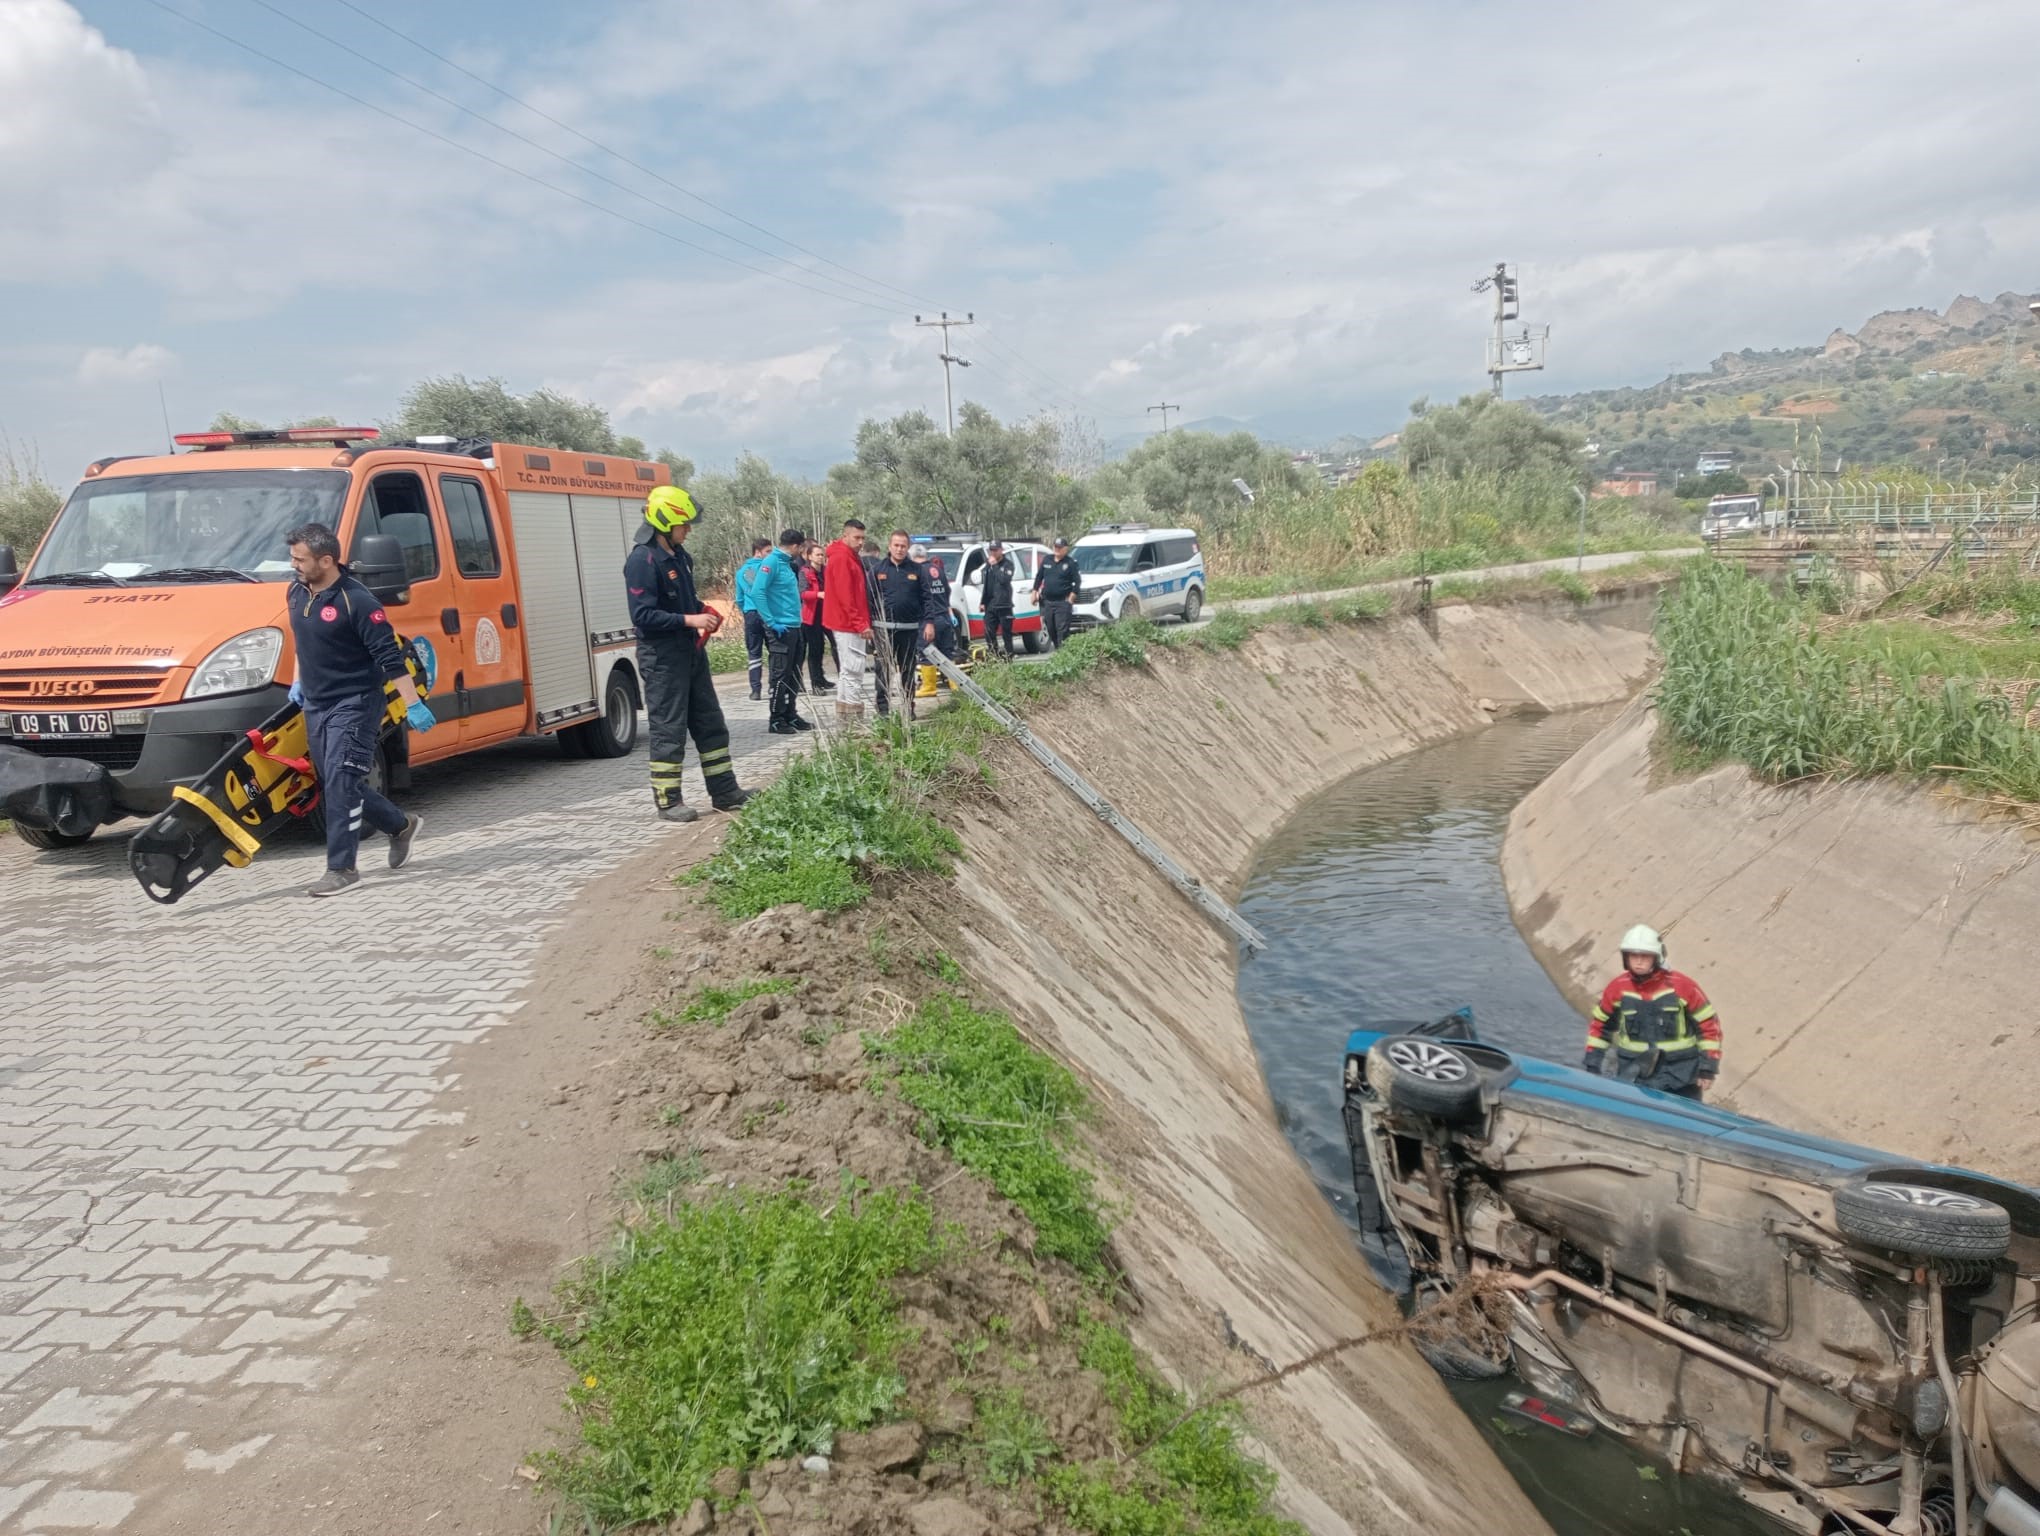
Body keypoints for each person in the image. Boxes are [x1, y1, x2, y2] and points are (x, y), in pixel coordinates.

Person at [283, 522, 433, 898]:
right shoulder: (296, 591)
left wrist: (413, 703)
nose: (294, 565)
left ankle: (342, 869)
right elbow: (303, 642)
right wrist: (298, 680)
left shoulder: (358, 602)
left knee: (341, 781)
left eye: (300, 559)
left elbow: (390, 658)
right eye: (293, 558)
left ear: (326, 560)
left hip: (355, 703)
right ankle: (400, 826)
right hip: (316, 703)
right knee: (337, 782)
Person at [626, 486, 753, 822]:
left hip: (689, 653)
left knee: (711, 723)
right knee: (669, 729)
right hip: (662, 659)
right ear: (665, 522)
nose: (689, 530)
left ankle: (725, 792)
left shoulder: (680, 557)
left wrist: (702, 611)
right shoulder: (642, 560)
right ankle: (668, 801)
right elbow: (642, 615)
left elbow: (682, 602)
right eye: (684, 524)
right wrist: (689, 620)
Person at [1582, 924, 1722, 1099]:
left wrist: (1707, 1069)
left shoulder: (1682, 986)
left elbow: (1709, 1026)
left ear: (1657, 957)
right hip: (1634, 1077)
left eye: (1645, 956)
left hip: (1681, 1078)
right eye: (1634, 956)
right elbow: (1599, 1027)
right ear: (1626, 958)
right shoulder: (1617, 989)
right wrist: (1592, 1065)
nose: (1639, 961)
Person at [871, 530, 940, 718]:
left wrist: (929, 622)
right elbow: (869, 599)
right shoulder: (878, 570)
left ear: (908, 547)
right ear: (889, 546)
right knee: (883, 671)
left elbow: (927, 598)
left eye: (903, 546)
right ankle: (883, 710)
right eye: (896, 545)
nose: (899, 549)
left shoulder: (917, 570)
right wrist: (868, 626)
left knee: (908, 671)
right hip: (883, 630)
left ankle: (908, 708)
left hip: (909, 630)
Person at [752, 528, 814, 735]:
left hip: (795, 625)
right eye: (801, 548)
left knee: (794, 674)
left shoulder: (788, 564)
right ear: (796, 546)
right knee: (780, 675)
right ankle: (776, 718)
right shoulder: (771, 562)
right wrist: (771, 621)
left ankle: (790, 714)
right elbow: (757, 592)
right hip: (780, 628)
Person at [822, 518, 877, 722]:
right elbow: (846, 596)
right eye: (857, 537)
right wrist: (860, 624)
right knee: (854, 668)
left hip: (847, 621)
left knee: (848, 669)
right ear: (845, 536)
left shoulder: (847, 556)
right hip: (847, 623)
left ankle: (845, 715)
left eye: (863, 538)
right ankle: (854, 718)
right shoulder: (842, 558)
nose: (861, 542)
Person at [734, 537, 772, 700]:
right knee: (774, 650)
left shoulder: (742, 571)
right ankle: (774, 687)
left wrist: (746, 610)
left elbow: (739, 598)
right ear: (758, 552)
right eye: (768, 551)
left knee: (754, 652)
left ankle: (755, 690)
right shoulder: (766, 569)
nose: (770, 555)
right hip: (767, 613)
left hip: (751, 614)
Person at [1034, 535, 1082, 649]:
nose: (1057, 549)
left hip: (1063, 602)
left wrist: (1072, 597)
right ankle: (1058, 650)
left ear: (1065, 549)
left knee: (1062, 630)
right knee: (1051, 629)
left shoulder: (1070, 563)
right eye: (1055, 546)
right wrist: (1034, 591)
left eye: (1060, 547)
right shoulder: (1047, 559)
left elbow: (1077, 581)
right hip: (1048, 602)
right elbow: (1039, 577)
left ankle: (1063, 653)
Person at [799, 542, 831, 691]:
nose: (820, 557)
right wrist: (818, 594)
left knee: (828, 647)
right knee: (815, 649)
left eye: (822, 555)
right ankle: (816, 684)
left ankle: (822, 679)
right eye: (817, 555)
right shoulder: (804, 572)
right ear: (809, 556)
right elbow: (803, 593)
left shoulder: (826, 571)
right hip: (811, 615)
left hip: (827, 613)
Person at [980, 541, 1018, 659]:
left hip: (1004, 604)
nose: (993, 553)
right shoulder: (988, 564)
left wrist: (995, 566)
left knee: (1006, 633)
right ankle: (994, 656)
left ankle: (1009, 657)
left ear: (1001, 550)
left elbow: (1004, 580)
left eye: (996, 550)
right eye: (991, 550)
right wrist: (983, 602)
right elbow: (987, 584)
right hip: (991, 604)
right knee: (988, 631)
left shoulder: (1008, 564)